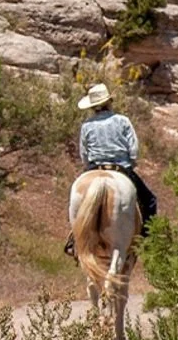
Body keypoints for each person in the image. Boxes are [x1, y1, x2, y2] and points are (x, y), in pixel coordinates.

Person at [65, 83, 157, 257]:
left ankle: (74, 239)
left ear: (92, 106)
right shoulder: (122, 121)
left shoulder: (87, 125)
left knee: (73, 201)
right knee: (150, 200)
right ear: (109, 101)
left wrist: (89, 166)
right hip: (121, 168)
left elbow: (84, 154)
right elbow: (134, 149)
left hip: (94, 167)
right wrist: (130, 163)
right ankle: (146, 241)